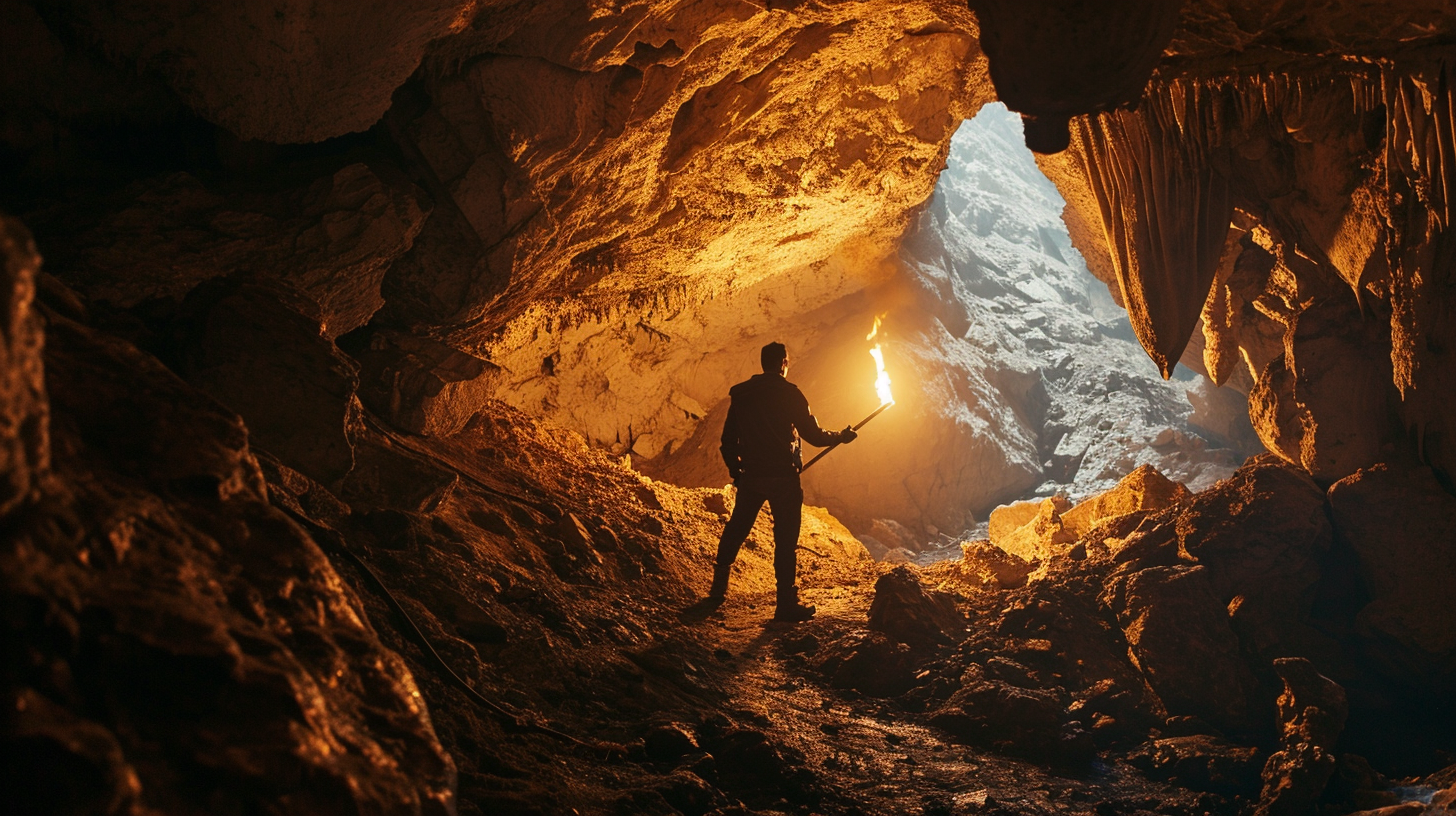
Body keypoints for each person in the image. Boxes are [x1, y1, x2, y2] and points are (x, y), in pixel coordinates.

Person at [706, 342, 856, 622]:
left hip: (752, 476)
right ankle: (785, 602)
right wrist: (841, 436)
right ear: (783, 363)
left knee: (737, 528)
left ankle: (717, 589)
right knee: (785, 540)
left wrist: (737, 473)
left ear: (764, 363)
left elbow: (727, 442)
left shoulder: (742, 394)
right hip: (784, 479)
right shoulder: (790, 394)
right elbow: (814, 435)